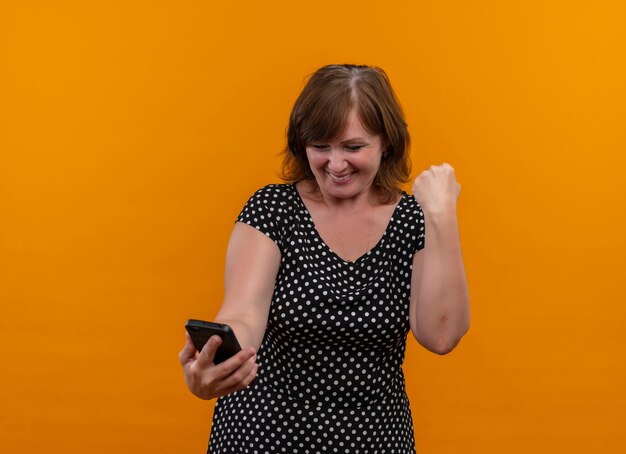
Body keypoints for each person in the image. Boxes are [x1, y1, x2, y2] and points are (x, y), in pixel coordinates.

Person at [179, 64, 470, 453]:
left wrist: (442, 216)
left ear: (387, 143)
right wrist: (217, 363)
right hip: (262, 437)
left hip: (374, 441)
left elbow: (441, 336)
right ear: (303, 144)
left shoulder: (413, 220)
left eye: (353, 147)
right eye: (321, 146)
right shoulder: (273, 209)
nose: (335, 165)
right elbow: (245, 312)